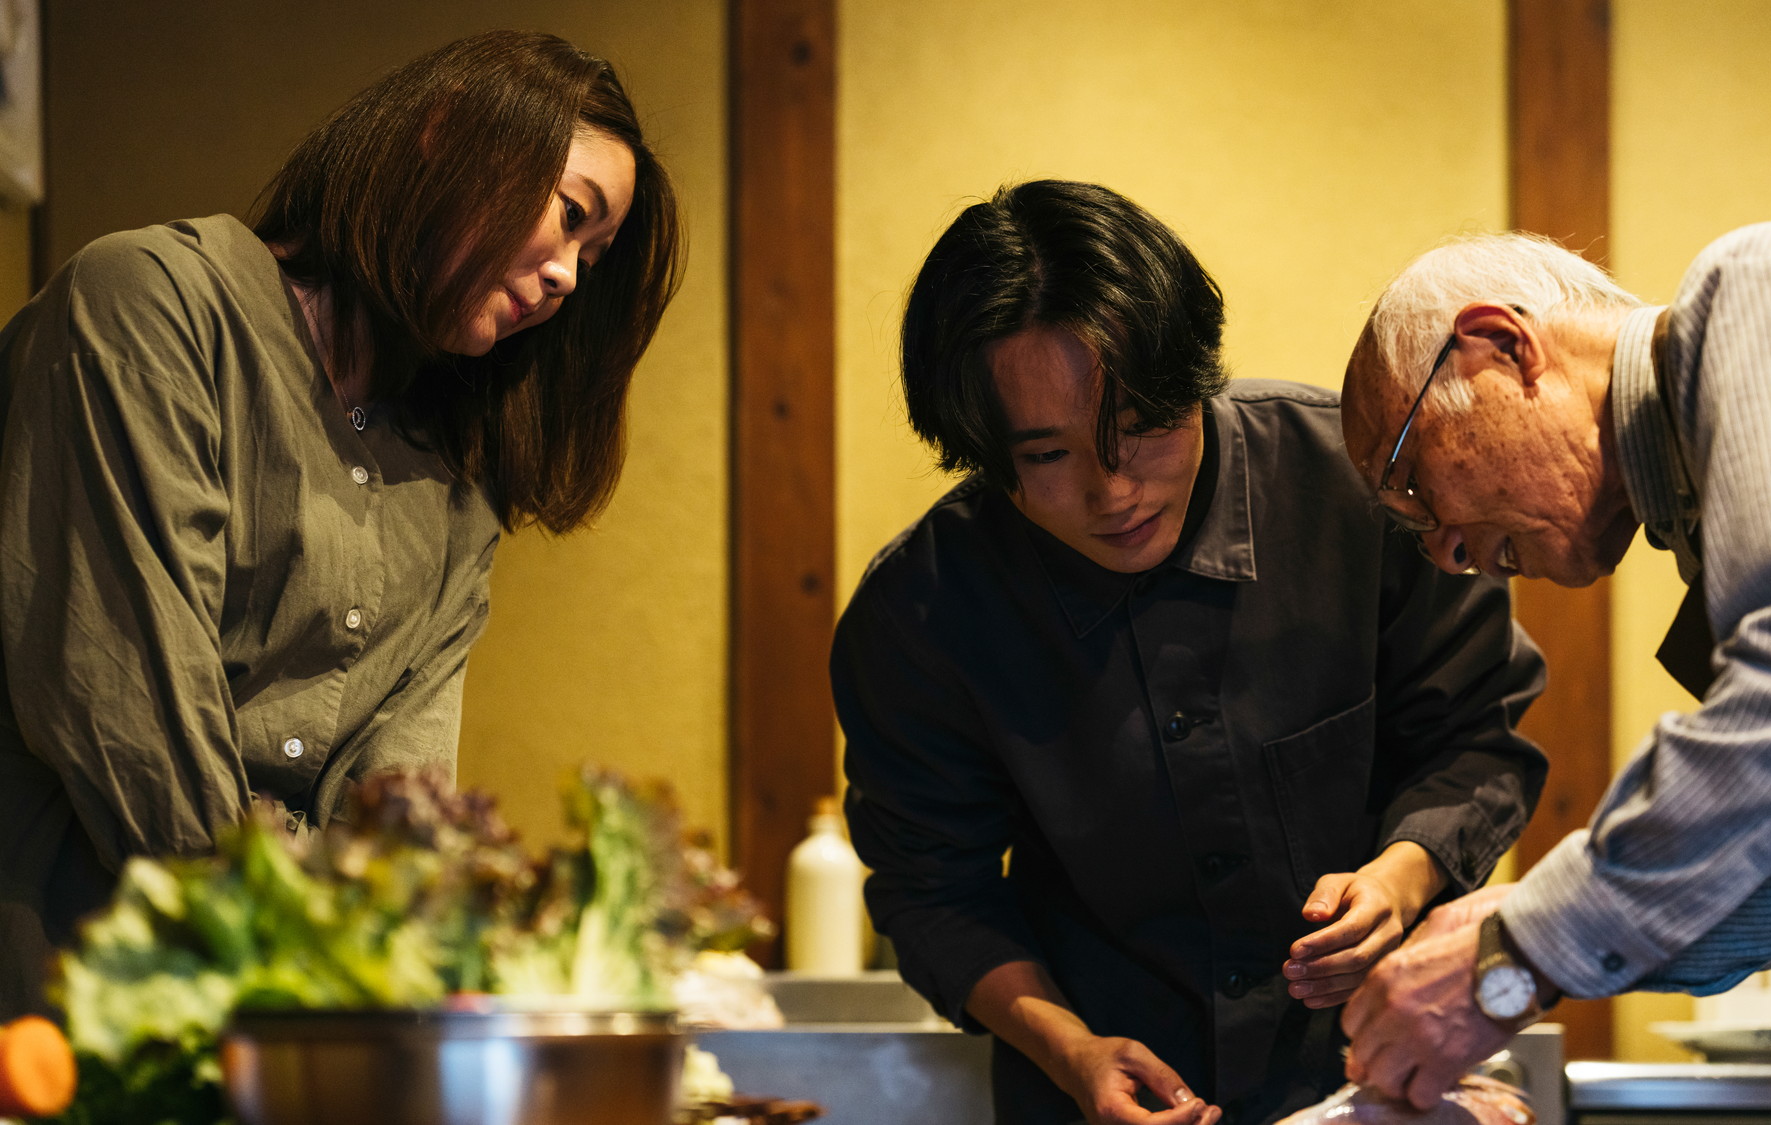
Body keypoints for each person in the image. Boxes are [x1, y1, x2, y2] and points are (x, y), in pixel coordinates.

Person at [833, 180, 1548, 1125]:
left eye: (1140, 429)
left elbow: (1478, 733)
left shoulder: (1359, 489)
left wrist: (1402, 872)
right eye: (1048, 457)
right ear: (977, 447)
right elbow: (934, 887)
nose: (1112, 490)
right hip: (1095, 1094)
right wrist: (1069, 1048)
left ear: (1194, 379)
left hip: (1372, 1076)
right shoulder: (924, 610)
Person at [0, 30, 681, 1018]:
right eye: (570, 216)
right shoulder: (150, 306)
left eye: (593, 254)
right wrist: (313, 980)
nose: (570, 276)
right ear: (444, 136)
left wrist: (422, 965)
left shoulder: (455, 477)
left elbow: (403, 788)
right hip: (66, 995)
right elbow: (130, 717)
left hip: (288, 1016)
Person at [1334, 218, 1771, 1106]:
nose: (1447, 554)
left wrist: (1528, 943)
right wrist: (1516, 947)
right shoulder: (1706, 530)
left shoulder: (1770, 283)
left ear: (1501, 347)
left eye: (1414, 486)